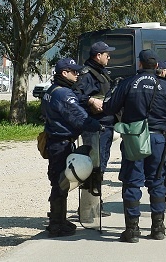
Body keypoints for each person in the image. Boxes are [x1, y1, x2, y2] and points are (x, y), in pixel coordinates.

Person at [105, 49, 166, 242]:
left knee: (132, 182)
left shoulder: (127, 83)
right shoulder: (165, 86)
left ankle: (132, 230)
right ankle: (158, 227)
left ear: (139, 64)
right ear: (157, 66)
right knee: (157, 182)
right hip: (158, 139)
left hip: (134, 139)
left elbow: (110, 108)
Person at [41, 58, 104, 238]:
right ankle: (56, 225)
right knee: (61, 183)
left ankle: (58, 219)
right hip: (62, 143)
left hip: (54, 140)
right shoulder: (65, 95)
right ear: (64, 73)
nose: (77, 74)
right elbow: (80, 118)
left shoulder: (51, 90)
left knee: (58, 181)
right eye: (73, 71)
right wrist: (99, 126)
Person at [73, 41, 116, 207]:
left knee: (101, 164)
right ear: (98, 56)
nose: (109, 57)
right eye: (107, 54)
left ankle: (94, 202)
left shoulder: (101, 72)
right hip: (95, 127)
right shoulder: (86, 74)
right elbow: (74, 97)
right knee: (93, 165)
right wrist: (90, 100)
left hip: (105, 125)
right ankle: (89, 205)